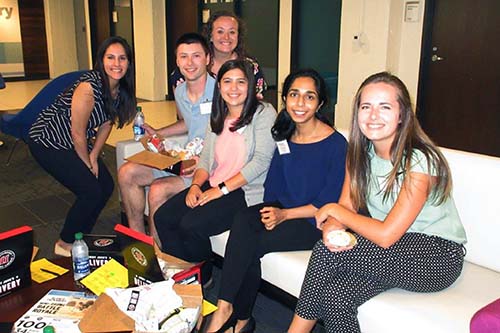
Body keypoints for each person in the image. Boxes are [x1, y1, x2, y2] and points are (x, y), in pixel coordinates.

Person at [287, 72, 467, 333]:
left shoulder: (419, 160)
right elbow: (345, 207)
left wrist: (334, 212)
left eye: (385, 107)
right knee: (336, 294)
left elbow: (385, 235)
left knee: (324, 254)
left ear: (402, 114)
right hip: (393, 251)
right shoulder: (359, 154)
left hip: (437, 255)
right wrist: (332, 229)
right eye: (366, 106)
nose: (373, 116)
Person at [202, 69, 348, 333]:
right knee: (243, 220)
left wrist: (283, 215)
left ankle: (235, 316)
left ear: (320, 103)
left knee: (250, 243)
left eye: (309, 97)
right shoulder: (284, 133)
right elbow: (273, 186)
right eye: (294, 95)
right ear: (284, 98)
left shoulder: (336, 144)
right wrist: (268, 210)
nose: (300, 104)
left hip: (314, 221)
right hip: (285, 210)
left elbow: (327, 203)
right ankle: (231, 312)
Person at [154, 59, 276, 286]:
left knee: (191, 224)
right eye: (227, 81)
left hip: (243, 191)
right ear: (219, 86)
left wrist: (220, 190)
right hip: (215, 183)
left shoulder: (264, 113)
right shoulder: (218, 114)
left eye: (241, 82)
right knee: (164, 217)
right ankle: (184, 272)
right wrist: (195, 187)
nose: (234, 88)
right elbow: (207, 159)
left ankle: (202, 275)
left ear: (250, 86)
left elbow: (260, 162)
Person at [28, 36, 136, 256]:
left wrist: (95, 156)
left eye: (122, 58)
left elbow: (106, 124)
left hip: (76, 141)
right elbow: (77, 133)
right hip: (49, 141)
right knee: (90, 191)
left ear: (129, 62)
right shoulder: (89, 87)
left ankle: (82, 235)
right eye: (110, 57)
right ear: (101, 60)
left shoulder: (119, 88)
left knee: (105, 186)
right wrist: (87, 163)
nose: (116, 64)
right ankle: (65, 242)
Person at [117, 33, 215, 241]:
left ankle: (158, 256)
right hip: (185, 159)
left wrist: (204, 160)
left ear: (207, 59)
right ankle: (138, 241)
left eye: (196, 56)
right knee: (127, 173)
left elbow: (230, 137)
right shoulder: (179, 91)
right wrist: (159, 133)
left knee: (158, 189)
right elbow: (189, 123)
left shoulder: (222, 91)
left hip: (210, 166)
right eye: (183, 56)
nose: (190, 63)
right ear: (177, 61)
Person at [170, 11, 266, 98]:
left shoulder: (251, 66)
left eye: (232, 32)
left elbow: (257, 105)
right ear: (210, 36)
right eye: (220, 31)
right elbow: (183, 113)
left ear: (238, 36)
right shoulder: (193, 67)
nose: (226, 37)